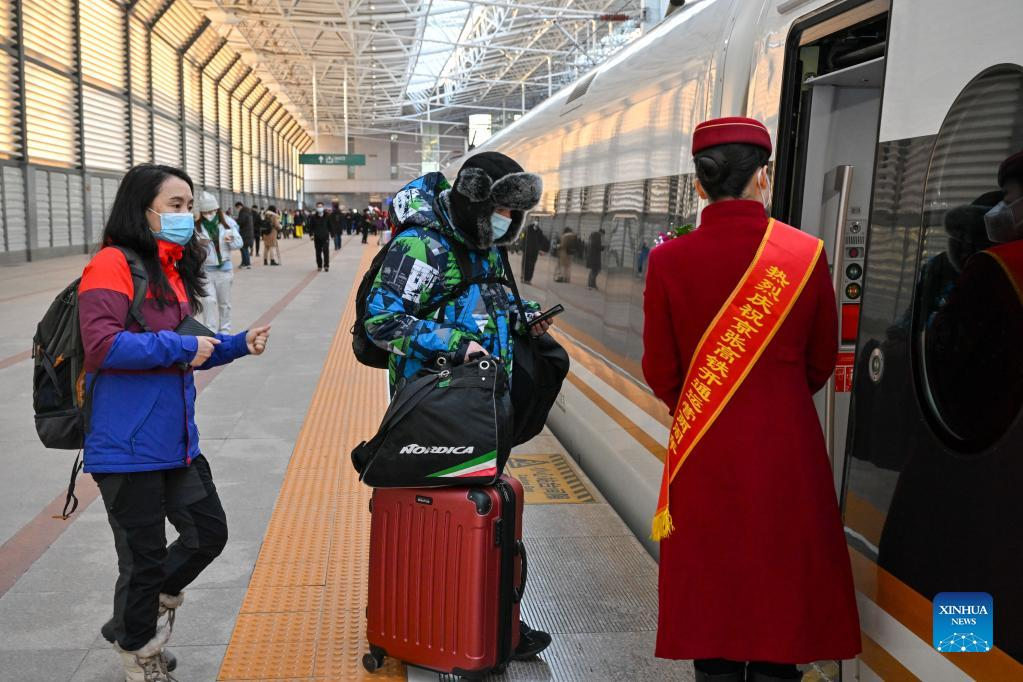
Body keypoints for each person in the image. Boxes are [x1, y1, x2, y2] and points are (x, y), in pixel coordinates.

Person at [641, 117, 860, 681]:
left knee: (712, 594)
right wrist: (775, 398)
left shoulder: (668, 260)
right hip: (788, 452)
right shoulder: (805, 254)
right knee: (778, 597)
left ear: (699, 184)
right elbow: (821, 360)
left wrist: (703, 403)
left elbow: (660, 371)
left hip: (703, 451)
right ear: (764, 176)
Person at [79, 164, 271, 682]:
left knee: (207, 533)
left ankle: (131, 619)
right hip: (127, 444)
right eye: (176, 205)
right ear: (142, 209)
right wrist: (182, 347)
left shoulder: (168, 271)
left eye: (190, 205)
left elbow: (192, 341)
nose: (188, 215)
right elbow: (101, 346)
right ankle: (140, 653)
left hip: (176, 440)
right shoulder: (111, 265)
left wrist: (238, 343)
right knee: (142, 559)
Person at [364, 153, 554, 662]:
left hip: (484, 404)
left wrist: (525, 316)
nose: (508, 220)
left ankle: (490, 624)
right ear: (474, 201)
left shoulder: (485, 245)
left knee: (482, 515)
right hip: (436, 405)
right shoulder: (421, 246)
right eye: (501, 209)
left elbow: (487, 303)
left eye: (515, 212)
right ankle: (427, 622)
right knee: (437, 517)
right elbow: (381, 322)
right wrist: (453, 342)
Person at [195, 192, 242, 333]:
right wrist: (199, 245)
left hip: (224, 270)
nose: (209, 215)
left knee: (224, 303)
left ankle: (225, 331)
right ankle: (210, 331)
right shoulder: (196, 227)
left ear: (216, 209)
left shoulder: (227, 223)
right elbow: (190, 250)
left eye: (211, 211)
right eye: (205, 212)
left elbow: (239, 243)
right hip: (206, 271)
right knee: (208, 301)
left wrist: (231, 240)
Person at [307, 201, 331, 272]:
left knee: (326, 251)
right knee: (318, 252)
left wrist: (332, 234)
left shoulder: (327, 216)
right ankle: (319, 265)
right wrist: (311, 235)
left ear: (323, 207)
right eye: (318, 207)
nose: (319, 208)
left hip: (325, 236)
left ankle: (326, 265)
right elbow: (310, 227)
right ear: (316, 208)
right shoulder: (313, 217)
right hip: (317, 237)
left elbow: (330, 225)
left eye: (321, 207)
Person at [233, 202, 254, 269]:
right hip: (248, 233)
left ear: (239, 206)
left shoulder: (243, 212)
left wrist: (235, 220)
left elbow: (241, 222)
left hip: (245, 233)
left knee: (244, 249)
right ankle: (244, 263)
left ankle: (246, 263)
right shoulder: (247, 211)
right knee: (244, 249)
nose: (237, 209)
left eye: (237, 208)